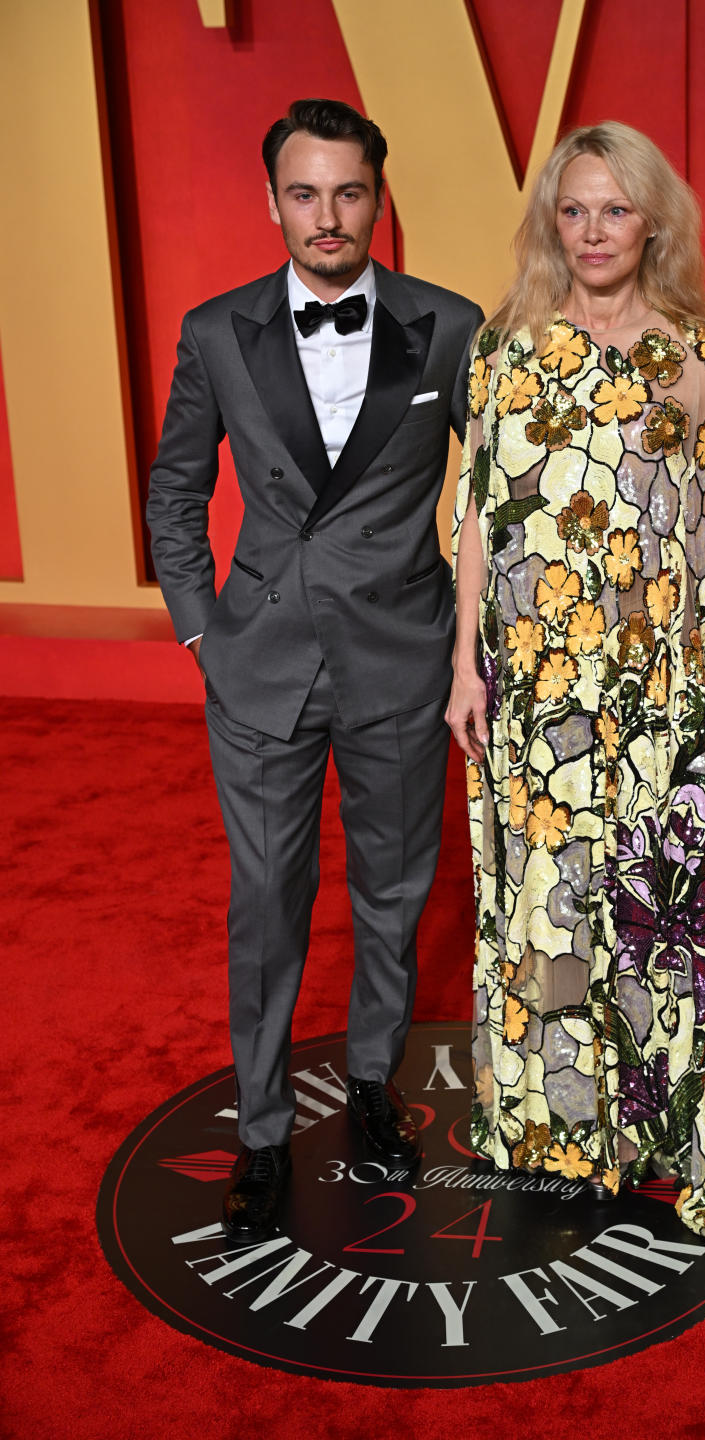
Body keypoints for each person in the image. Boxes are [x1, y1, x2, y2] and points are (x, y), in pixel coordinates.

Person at [447, 121, 705, 1250]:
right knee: (551, 898)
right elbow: (475, 520)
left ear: (651, 222)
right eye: (574, 210)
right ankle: (562, 1128)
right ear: (552, 222)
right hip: (534, 687)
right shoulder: (502, 350)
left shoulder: (696, 350)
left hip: (658, 684)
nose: (593, 232)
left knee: (656, 909)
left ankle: (667, 1126)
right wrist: (462, 669)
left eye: (615, 210)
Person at [147, 98, 484, 1243]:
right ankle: (257, 1127)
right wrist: (204, 630)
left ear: (378, 198)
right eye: (305, 193)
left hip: (401, 660)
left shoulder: (450, 327)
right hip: (260, 668)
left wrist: (475, 649)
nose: (328, 215)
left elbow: (487, 500)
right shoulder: (214, 331)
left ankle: (378, 1086)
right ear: (274, 201)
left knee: (393, 897)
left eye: (348, 192)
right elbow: (175, 490)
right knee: (266, 906)